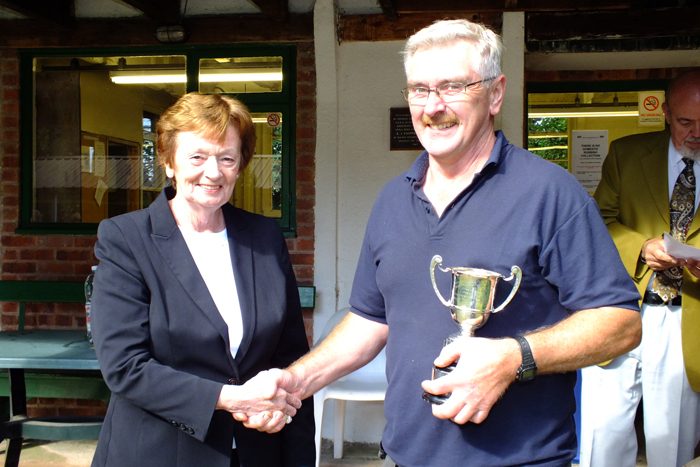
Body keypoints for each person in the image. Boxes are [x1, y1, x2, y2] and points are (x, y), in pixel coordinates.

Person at [239, 19, 642, 467]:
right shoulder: (394, 198)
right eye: (419, 89)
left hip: (522, 460)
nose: (433, 107)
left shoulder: (549, 192)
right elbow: (370, 321)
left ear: (495, 93)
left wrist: (513, 357)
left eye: (452, 87)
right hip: (405, 457)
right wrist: (296, 380)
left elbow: (621, 322)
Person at [90, 92, 315, 467]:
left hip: (259, 449)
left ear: (240, 166)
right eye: (197, 156)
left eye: (227, 158)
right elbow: (124, 366)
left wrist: (281, 407)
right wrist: (232, 399)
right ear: (168, 162)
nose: (213, 172)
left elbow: (289, 351)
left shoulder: (263, 236)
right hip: (159, 453)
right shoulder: (126, 238)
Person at [580, 70, 700, 467]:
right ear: (666, 113)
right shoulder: (627, 153)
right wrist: (640, 248)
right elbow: (599, 220)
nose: (696, 132)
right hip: (621, 307)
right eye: (686, 122)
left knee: (672, 439)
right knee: (604, 434)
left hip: (687, 316)